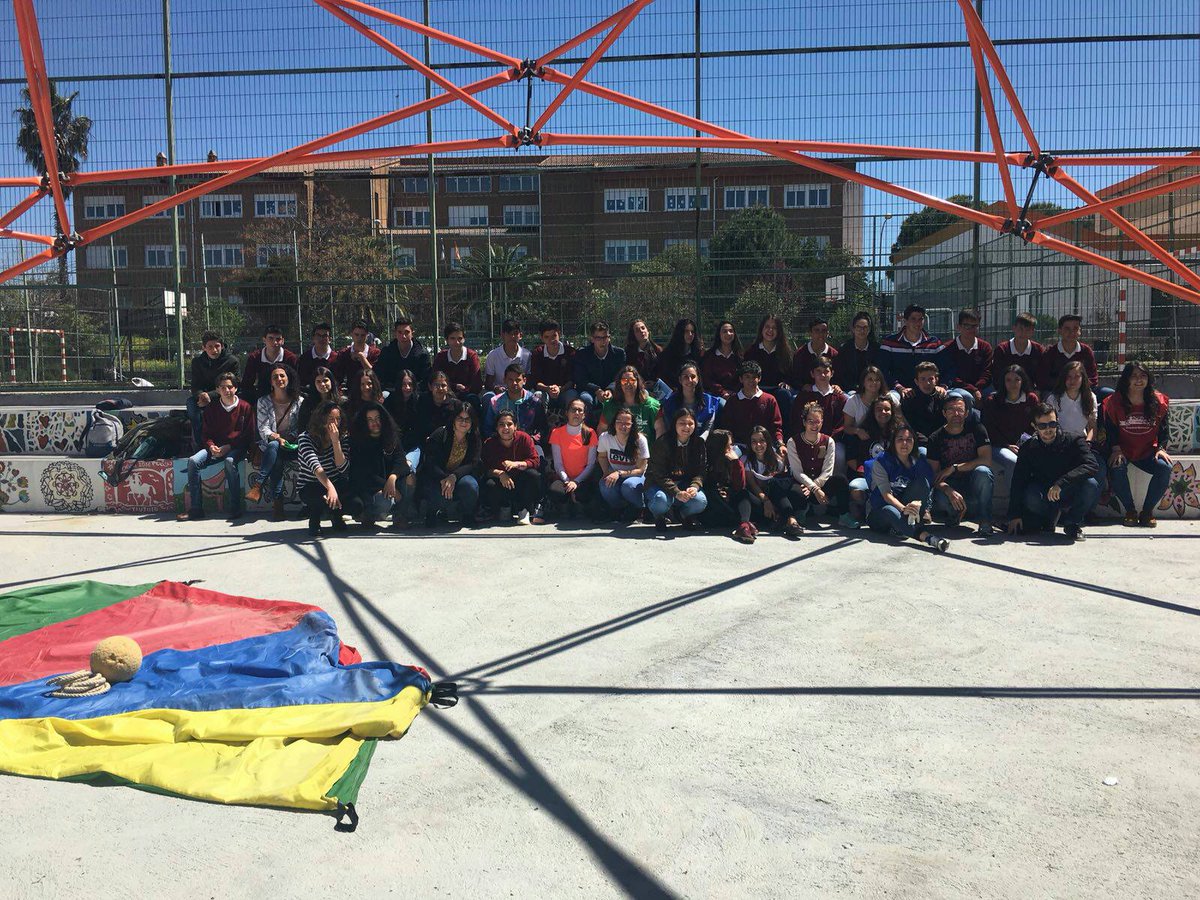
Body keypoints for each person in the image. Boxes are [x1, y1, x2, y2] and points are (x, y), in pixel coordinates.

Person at [1006, 403, 1100, 542]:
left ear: (1057, 422)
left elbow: (1092, 464)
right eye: (1042, 426)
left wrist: (1061, 483)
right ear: (1034, 426)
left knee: (1091, 485)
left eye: (1052, 424)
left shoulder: (1074, 440)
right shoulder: (1028, 447)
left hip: (1068, 490)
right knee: (1030, 495)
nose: (1048, 429)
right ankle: (1048, 518)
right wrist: (1014, 515)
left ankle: (1072, 524)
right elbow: (1018, 480)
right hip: (1042, 493)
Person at [1103, 361, 1172, 527]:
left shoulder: (1159, 402)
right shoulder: (1114, 402)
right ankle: (1130, 510)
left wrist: (1161, 448)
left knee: (1165, 467)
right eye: (1133, 376)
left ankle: (1147, 512)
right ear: (1126, 379)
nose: (1138, 380)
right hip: (1123, 450)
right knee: (1117, 467)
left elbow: (1164, 429)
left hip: (1147, 451)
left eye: (1142, 376)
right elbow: (1110, 429)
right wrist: (1116, 449)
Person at [180, 373, 253, 522]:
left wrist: (229, 446)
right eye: (223, 387)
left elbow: (248, 435)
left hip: (236, 447)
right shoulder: (211, 408)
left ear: (236, 388)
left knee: (230, 462)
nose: (227, 390)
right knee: (193, 461)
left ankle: (235, 507)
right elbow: (205, 434)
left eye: (230, 387)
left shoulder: (245, 407)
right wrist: (211, 446)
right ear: (217, 390)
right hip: (214, 447)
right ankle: (196, 508)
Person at [865, 423, 949, 552]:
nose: (905, 443)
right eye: (900, 439)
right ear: (893, 442)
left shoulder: (918, 460)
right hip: (880, 511)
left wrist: (921, 506)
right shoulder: (881, 462)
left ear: (914, 442)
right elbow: (886, 495)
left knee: (923, 482)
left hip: (906, 509)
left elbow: (929, 484)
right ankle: (929, 538)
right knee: (890, 510)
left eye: (909, 440)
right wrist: (903, 508)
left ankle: (905, 525)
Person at [927, 394, 996, 535]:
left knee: (984, 471)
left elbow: (986, 460)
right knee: (940, 498)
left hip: (974, 487)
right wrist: (948, 491)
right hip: (952, 490)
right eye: (951, 410)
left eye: (960, 410)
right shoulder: (935, 438)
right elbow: (934, 475)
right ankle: (957, 513)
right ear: (944, 413)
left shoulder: (977, 429)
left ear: (966, 413)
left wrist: (955, 467)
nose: (956, 413)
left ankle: (985, 520)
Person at [245, 362, 303, 519]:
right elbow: (263, 428)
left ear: (288, 378)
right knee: (274, 449)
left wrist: (288, 438)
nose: (279, 379)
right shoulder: (263, 401)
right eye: (275, 377)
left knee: (274, 449)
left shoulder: (299, 401)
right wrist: (277, 437)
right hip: (272, 445)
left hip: (293, 445)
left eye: (282, 376)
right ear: (270, 382)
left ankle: (259, 485)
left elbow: (301, 427)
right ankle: (278, 506)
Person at [418, 399, 481, 528]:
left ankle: (467, 514)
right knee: (435, 492)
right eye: (460, 418)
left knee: (471, 486)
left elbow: (473, 462)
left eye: (467, 419)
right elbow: (429, 462)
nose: (463, 422)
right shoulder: (441, 434)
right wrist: (444, 478)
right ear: (454, 419)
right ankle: (431, 512)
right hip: (437, 476)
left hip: (460, 476)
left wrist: (454, 476)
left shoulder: (474, 436)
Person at [1046, 360, 1106, 493]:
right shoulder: (1054, 398)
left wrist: (1088, 443)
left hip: (1082, 443)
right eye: (1069, 377)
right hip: (1060, 444)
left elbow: (1092, 427)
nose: (1072, 380)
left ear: (1083, 378)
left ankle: (1090, 508)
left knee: (1100, 470)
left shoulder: (1090, 397)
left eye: (1076, 377)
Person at [645, 407, 708, 532]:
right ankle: (659, 516)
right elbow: (659, 474)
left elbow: (701, 470)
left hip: (685, 483)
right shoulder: (662, 442)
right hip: (659, 484)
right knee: (660, 500)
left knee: (699, 501)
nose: (686, 427)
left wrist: (694, 486)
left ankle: (684, 515)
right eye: (682, 423)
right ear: (674, 424)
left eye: (690, 423)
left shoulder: (699, 443)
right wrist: (676, 492)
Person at [346, 402, 408, 528]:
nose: (375, 422)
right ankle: (369, 514)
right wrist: (387, 485)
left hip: (388, 481)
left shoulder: (391, 436)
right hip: (368, 488)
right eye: (370, 420)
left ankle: (399, 515)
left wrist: (393, 477)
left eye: (377, 418)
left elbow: (401, 461)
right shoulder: (358, 441)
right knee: (384, 500)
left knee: (410, 478)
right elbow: (363, 472)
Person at [537, 397, 598, 523]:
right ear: (567, 413)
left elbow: (591, 464)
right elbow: (558, 463)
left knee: (585, 492)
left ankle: (579, 507)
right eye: (573, 410)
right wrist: (567, 481)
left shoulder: (591, 433)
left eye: (580, 411)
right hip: (563, 478)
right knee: (556, 491)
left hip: (583, 479)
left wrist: (576, 481)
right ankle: (565, 508)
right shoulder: (557, 433)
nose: (576, 413)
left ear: (584, 414)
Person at [295, 400, 350, 538]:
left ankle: (336, 515)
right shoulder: (305, 438)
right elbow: (315, 467)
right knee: (320, 500)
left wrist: (335, 441)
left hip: (335, 481)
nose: (335, 423)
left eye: (338, 419)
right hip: (310, 484)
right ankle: (315, 521)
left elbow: (342, 468)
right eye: (331, 419)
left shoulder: (342, 437)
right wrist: (330, 488)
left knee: (355, 502)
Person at [785, 401, 849, 519]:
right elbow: (797, 471)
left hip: (820, 483)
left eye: (817, 421)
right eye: (810, 421)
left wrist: (815, 487)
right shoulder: (792, 442)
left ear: (822, 422)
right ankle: (801, 511)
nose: (814, 425)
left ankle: (844, 515)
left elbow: (828, 471)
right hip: (802, 483)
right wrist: (812, 488)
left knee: (841, 480)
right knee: (795, 492)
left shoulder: (829, 441)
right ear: (804, 422)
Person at [846, 395, 902, 526]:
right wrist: (866, 474)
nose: (883, 412)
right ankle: (865, 508)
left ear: (892, 412)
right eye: (879, 409)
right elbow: (850, 459)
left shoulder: (899, 433)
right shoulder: (862, 431)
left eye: (887, 409)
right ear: (873, 412)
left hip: (893, 479)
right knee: (855, 488)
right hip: (867, 478)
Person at [981, 364, 1039, 489]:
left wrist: (1025, 442)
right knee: (1013, 462)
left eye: (1017, 379)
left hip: (1024, 443)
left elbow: (1035, 424)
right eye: (1008, 380)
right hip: (998, 446)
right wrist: (1006, 445)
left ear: (1022, 381)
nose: (1013, 383)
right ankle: (1014, 501)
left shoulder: (1031, 399)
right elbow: (988, 429)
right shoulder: (993, 401)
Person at [481, 409, 543, 525]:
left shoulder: (524, 438)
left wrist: (517, 464)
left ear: (515, 426)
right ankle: (505, 507)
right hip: (502, 483)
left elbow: (535, 461)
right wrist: (500, 474)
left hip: (521, 482)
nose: (505, 428)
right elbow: (485, 469)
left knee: (533, 475)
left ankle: (524, 510)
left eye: (509, 424)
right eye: (501, 424)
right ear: (496, 428)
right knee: (490, 483)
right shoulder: (489, 443)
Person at [742, 425, 804, 537]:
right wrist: (766, 501)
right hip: (759, 497)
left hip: (777, 496)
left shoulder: (777, 459)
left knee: (779, 485)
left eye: (762, 441)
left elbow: (781, 485)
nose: (758, 445)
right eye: (754, 442)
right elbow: (752, 485)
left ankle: (785, 519)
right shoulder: (747, 460)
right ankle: (791, 520)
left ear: (768, 442)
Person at [700, 429, 756, 542]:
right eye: (729, 445)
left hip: (730, 503)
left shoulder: (731, 460)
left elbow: (740, 487)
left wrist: (736, 462)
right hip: (715, 509)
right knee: (711, 494)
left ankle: (744, 525)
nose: (731, 448)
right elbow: (707, 485)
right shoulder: (706, 462)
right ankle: (743, 523)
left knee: (744, 494)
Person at [187, 331, 239, 447]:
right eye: (210, 347)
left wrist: (210, 395)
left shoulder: (231, 361)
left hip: (224, 395)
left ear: (222, 345)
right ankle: (200, 445)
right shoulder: (198, 362)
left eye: (217, 346)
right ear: (204, 348)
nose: (214, 350)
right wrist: (201, 395)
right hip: (204, 397)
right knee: (191, 404)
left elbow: (234, 384)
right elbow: (195, 385)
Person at [596, 407, 650, 519]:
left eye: (627, 423)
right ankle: (620, 509)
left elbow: (640, 470)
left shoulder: (640, 440)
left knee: (628, 486)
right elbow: (602, 456)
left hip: (636, 476)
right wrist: (606, 472)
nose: (623, 426)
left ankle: (640, 507)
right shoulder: (605, 437)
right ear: (614, 423)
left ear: (632, 425)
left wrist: (619, 473)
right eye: (619, 422)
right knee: (605, 485)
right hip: (615, 473)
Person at [878, 304, 946, 393]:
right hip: (897, 390)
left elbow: (947, 367)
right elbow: (882, 369)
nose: (917, 323)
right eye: (913, 319)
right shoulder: (890, 343)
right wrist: (898, 387)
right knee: (892, 400)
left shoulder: (934, 343)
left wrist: (942, 386)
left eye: (920, 319)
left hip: (928, 389)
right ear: (905, 321)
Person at [382, 369, 421, 524]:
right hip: (395, 446)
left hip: (413, 447)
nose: (407, 388)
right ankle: (399, 509)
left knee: (409, 470)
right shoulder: (390, 402)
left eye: (410, 384)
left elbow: (419, 430)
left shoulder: (418, 401)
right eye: (404, 384)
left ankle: (404, 508)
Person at [742, 313, 795, 419]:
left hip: (778, 390)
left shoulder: (785, 352)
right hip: (757, 388)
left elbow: (791, 374)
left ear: (779, 331)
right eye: (767, 327)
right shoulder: (752, 352)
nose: (770, 330)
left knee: (785, 395)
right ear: (762, 329)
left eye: (774, 328)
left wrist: (786, 382)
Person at [720, 360, 784, 447]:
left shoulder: (769, 400)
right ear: (741, 379)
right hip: (739, 446)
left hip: (763, 446)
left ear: (759, 378)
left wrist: (780, 444)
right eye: (747, 377)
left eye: (754, 377)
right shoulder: (732, 401)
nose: (751, 380)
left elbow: (776, 427)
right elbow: (727, 427)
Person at [483, 363, 548, 444]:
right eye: (510, 380)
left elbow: (542, 429)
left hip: (528, 444)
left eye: (517, 380)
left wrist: (532, 440)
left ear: (524, 380)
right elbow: (488, 429)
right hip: (502, 444)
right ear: (504, 380)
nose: (514, 383)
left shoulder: (534, 402)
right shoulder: (495, 402)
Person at [1036, 314, 1100, 394]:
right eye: (1067, 329)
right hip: (1056, 393)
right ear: (1059, 331)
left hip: (1081, 392)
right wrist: (1066, 387)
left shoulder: (1086, 351)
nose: (1071, 332)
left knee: (1108, 393)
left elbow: (1093, 378)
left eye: (1075, 328)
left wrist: (1077, 388)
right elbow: (1043, 379)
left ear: (1080, 331)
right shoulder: (1050, 352)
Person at [944, 308, 993, 410]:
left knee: (994, 397)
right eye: (966, 325)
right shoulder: (948, 348)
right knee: (966, 397)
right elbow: (951, 376)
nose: (970, 329)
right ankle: (970, 425)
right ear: (958, 327)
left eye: (974, 326)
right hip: (957, 387)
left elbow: (987, 372)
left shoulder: (985, 347)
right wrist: (973, 390)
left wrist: (977, 389)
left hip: (982, 387)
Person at [658, 361, 722, 441]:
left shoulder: (710, 402)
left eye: (693, 376)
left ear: (698, 379)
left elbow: (708, 429)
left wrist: (700, 442)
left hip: (701, 444)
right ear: (680, 380)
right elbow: (669, 429)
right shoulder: (669, 403)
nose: (689, 380)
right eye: (685, 377)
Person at [841, 365, 887, 473]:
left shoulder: (888, 399)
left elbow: (899, 422)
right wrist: (857, 431)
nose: (874, 382)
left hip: (884, 437)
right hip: (862, 440)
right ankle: (861, 472)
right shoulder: (853, 401)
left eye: (877, 380)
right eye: (870, 379)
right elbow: (846, 427)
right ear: (863, 382)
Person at [574, 320, 626, 415]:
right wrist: (596, 390)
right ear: (592, 339)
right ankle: (587, 428)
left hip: (612, 390)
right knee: (585, 399)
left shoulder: (619, 354)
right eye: (598, 338)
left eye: (605, 337)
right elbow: (580, 379)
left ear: (609, 338)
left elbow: (620, 376)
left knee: (620, 399)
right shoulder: (582, 354)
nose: (603, 341)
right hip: (589, 390)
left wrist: (610, 390)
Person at [790, 355, 845, 440]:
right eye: (818, 371)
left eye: (826, 371)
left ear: (832, 374)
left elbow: (841, 425)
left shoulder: (839, 398)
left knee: (840, 453)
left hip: (832, 441)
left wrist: (827, 440)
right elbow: (797, 421)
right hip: (807, 440)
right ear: (812, 373)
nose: (822, 374)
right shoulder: (804, 396)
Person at [239, 324, 297, 404]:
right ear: (264, 340)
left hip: (285, 396)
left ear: (282, 341)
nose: (274, 342)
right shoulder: (254, 358)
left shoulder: (290, 358)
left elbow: (295, 383)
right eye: (270, 338)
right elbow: (247, 384)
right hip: (262, 395)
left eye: (278, 339)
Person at [599, 364, 660, 437]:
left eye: (632, 380)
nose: (628, 383)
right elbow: (601, 430)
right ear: (619, 383)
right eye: (624, 380)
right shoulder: (609, 406)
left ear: (638, 382)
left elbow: (660, 430)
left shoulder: (651, 405)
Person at [432, 320, 483, 405]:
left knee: (474, 400)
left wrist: (465, 389)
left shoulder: (471, 356)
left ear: (464, 339)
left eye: (460, 338)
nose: (457, 342)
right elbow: (434, 379)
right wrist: (455, 386)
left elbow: (477, 384)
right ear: (447, 340)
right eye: (452, 338)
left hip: (467, 396)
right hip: (446, 394)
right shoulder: (441, 357)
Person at [528, 319, 576, 410]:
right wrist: (548, 388)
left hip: (564, 392)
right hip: (545, 393)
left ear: (559, 334)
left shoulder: (570, 352)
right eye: (547, 337)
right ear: (542, 338)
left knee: (572, 395)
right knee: (538, 396)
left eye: (554, 335)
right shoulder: (537, 354)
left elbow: (572, 380)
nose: (552, 340)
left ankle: (570, 423)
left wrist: (560, 389)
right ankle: (541, 423)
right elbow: (535, 381)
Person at [991, 312, 1043, 392]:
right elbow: (997, 377)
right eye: (1020, 329)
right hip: (1005, 392)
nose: (1023, 333)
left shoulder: (1038, 350)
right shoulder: (1002, 349)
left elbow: (1040, 377)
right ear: (1014, 328)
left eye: (1027, 330)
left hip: (1030, 392)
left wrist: (1036, 391)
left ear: (1033, 331)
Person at [375, 317, 431, 391]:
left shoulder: (422, 354)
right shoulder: (387, 352)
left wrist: (410, 389)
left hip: (415, 393)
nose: (403, 336)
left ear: (412, 333)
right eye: (400, 332)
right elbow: (380, 376)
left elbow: (425, 380)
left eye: (407, 332)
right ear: (395, 333)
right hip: (392, 392)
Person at [899, 360, 946, 447]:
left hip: (939, 441)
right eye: (923, 379)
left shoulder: (941, 398)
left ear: (936, 380)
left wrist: (934, 440)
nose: (927, 383)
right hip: (918, 443)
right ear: (916, 381)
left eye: (930, 379)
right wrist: (926, 442)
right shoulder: (910, 399)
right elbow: (911, 426)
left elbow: (944, 424)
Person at [482, 318, 531, 398]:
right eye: (508, 333)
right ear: (502, 335)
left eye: (515, 333)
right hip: (499, 394)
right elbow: (488, 383)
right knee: (488, 397)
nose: (512, 336)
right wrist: (496, 388)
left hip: (520, 392)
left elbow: (528, 381)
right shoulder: (493, 355)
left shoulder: (527, 355)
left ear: (520, 335)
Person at [833, 311, 880, 390]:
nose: (862, 331)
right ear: (853, 329)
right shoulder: (844, 349)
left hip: (872, 390)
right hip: (849, 391)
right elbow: (840, 375)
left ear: (869, 329)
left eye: (865, 327)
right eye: (858, 327)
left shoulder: (877, 349)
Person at [412, 369, 459, 448]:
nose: (440, 388)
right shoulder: (422, 402)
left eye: (443, 385)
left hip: (447, 446)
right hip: (422, 444)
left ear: (448, 387)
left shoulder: (456, 405)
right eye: (436, 385)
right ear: (430, 387)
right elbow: (418, 425)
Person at [656, 318, 704, 392]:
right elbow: (663, 376)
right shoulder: (667, 354)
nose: (690, 335)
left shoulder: (699, 354)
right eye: (686, 331)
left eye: (692, 332)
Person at [791, 317, 839, 390]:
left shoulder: (834, 354)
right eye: (817, 330)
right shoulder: (800, 354)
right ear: (810, 333)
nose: (820, 334)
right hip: (806, 393)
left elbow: (838, 378)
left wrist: (836, 386)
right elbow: (795, 378)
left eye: (824, 331)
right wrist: (803, 386)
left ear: (828, 333)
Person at [332, 320, 381, 390]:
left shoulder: (375, 353)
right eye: (356, 334)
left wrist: (362, 358)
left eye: (362, 335)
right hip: (351, 394)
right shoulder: (344, 354)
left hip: (371, 392)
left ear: (367, 335)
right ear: (351, 334)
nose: (359, 338)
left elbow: (375, 376)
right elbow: (338, 377)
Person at [700, 320, 742, 399]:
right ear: (719, 334)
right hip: (714, 396)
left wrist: (733, 393)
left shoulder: (740, 356)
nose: (728, 334)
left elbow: (743, 377)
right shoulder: (709, 355)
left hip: (737, 395)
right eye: (724, 331)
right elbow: (707, 379)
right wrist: (723, 392)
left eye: (731, 331)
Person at [297, 365, 342, 434]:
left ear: (331, 381)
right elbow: (302, 426)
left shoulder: (341, 402)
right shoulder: (308, 403)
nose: (322, 384)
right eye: (318, 381)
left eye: (325, 380)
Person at [296, 322, 339, 388]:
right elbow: (302, 381)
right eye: (318, 335)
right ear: (313, 338)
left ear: (330, 339)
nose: (321, 339)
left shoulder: (337, 358)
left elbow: (338, 381)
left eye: (325, 336)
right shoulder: (304, 358)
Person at [625, 319, 662, 385]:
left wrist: (654, 382)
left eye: (643, 328)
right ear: (633, 335)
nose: (642, 331)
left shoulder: (658, 351)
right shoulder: (627, 353)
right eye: (637, 330)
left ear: (648, 331)